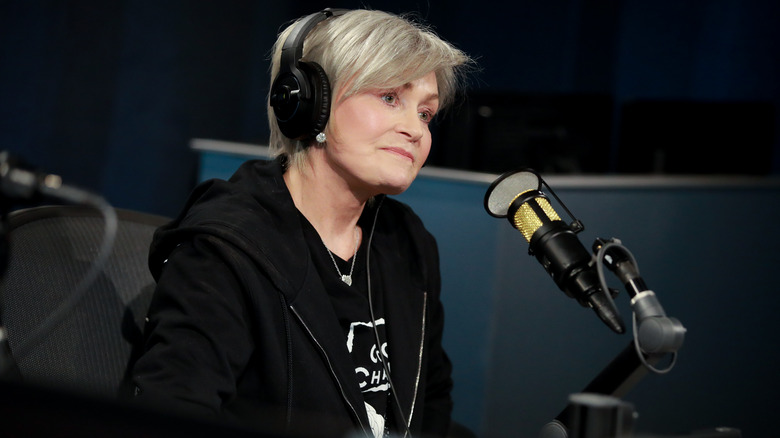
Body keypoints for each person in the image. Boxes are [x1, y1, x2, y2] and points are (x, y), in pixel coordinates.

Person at [129, 8, 473, 438]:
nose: (416, 130)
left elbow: (432, 408)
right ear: (309, 101)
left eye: (425, 113)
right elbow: (171, 413)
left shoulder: (408, 243)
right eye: (390, 98)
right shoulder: (226, 251)